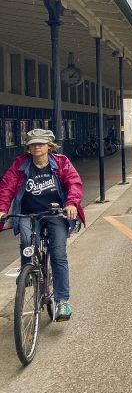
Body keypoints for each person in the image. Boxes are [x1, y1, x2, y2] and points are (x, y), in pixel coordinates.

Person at [0, 129, 84, 321]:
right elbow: (7, 186)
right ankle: (28, 272)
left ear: (49, 146)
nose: (37, 147)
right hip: (28, 213)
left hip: (55, 213)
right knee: (26, 243)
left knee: (58, 254)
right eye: (33, 144)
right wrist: (2, 208)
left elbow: (74, 183)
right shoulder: (20, 164)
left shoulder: (61, 162)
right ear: (28, 148)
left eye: (40, 143)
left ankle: (62, 301)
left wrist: (71, 203)